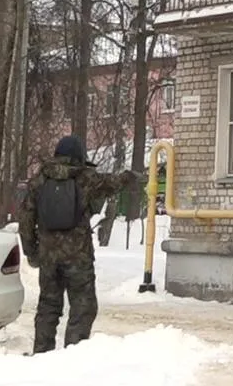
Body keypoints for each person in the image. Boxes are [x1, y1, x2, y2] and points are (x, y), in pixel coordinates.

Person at [18, 135, 143, 354]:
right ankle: (73, 356)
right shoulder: (85, 178)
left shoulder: (39, 181)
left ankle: (42, 355)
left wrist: (32, 252)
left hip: (48, 257)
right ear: (78, 156)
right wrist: (130, 176)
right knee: (82, 307)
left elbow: (26, 220)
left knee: (48, 306)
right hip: (78, 257)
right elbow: (113, 182)